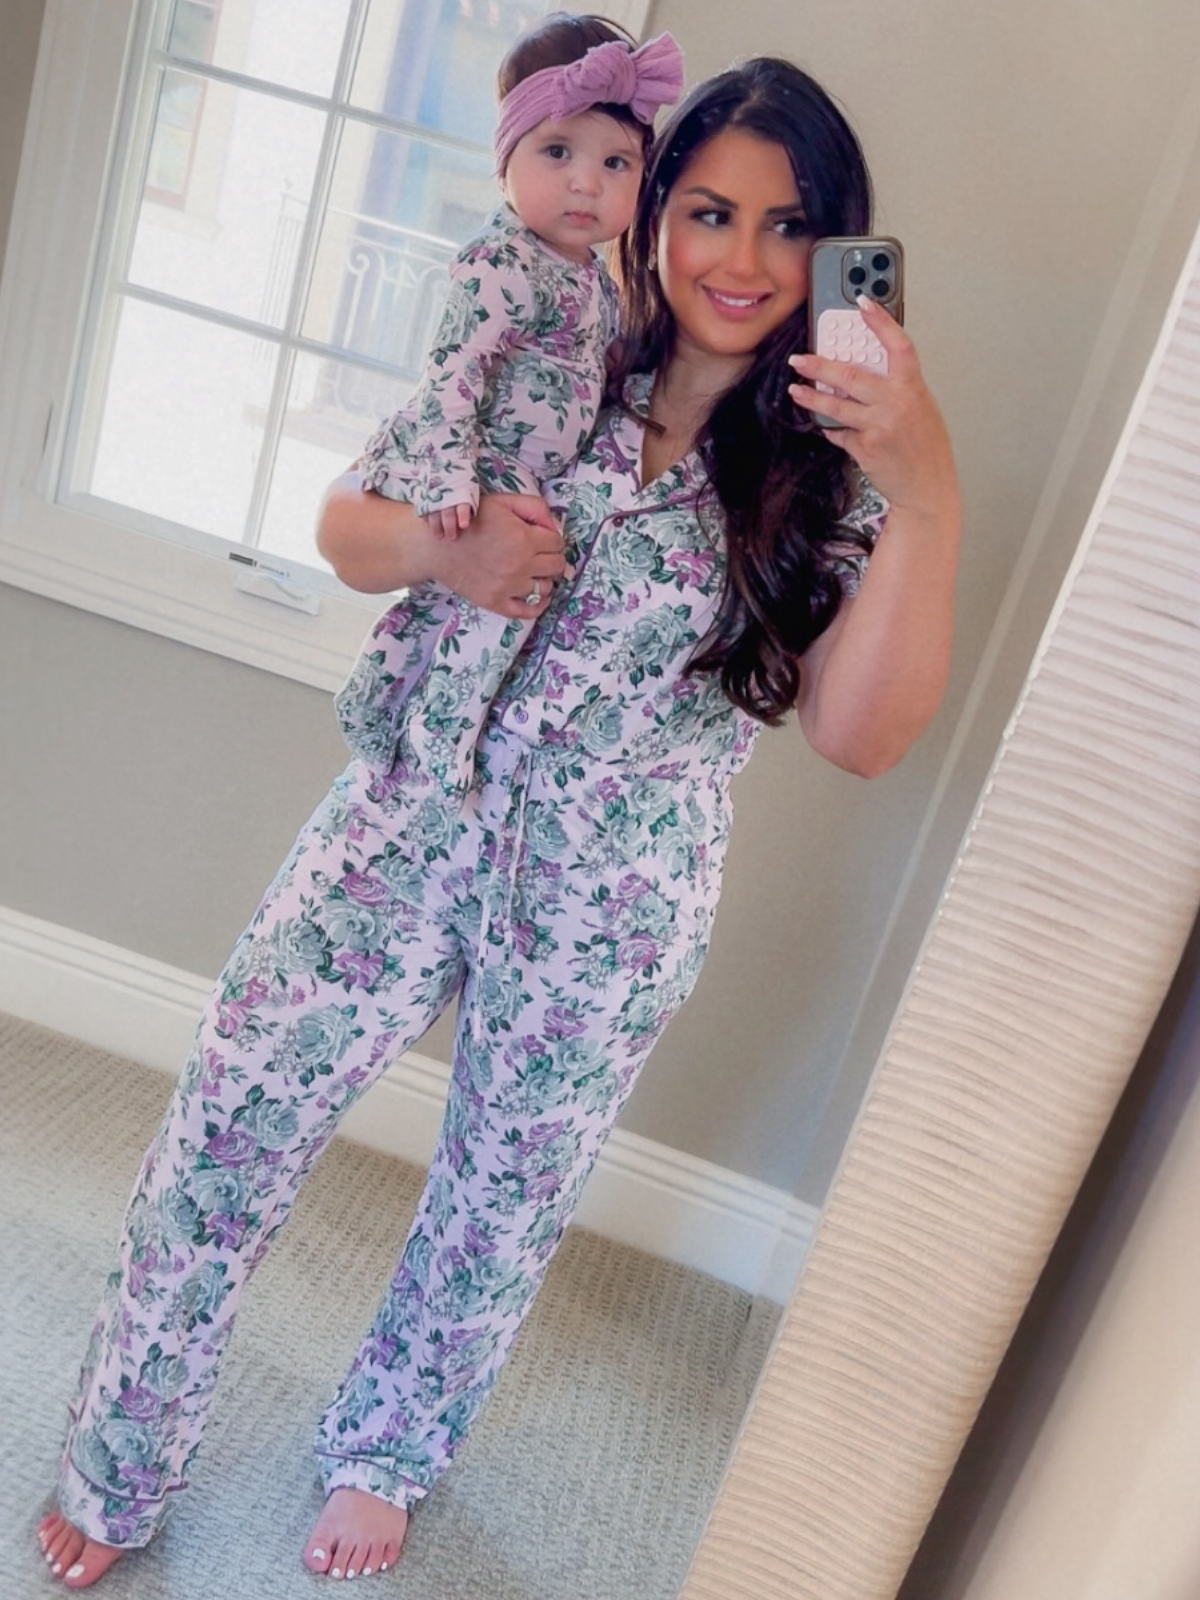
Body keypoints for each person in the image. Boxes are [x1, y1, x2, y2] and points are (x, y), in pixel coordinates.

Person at [36, 53, 960, 1591]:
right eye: (710, 209)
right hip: (407, 820)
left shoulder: (836, 476)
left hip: (610, 901)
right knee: (229, 1118)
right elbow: (350, 528)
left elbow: (862, 738)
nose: (742, 258)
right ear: (652, 208)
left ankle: (389, 1449)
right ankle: (125, 1447)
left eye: (790, 224)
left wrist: (927, 492)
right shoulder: (550, 339)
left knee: (497, 1204)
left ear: (835, 247)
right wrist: (443, 556)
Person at [344, 15, 682, 795]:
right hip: (479, 462)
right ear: (506, 162)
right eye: (557, 152)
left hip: (525, 474)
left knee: (453, 612)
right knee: (497, 602)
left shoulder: (594, 279)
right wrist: (450, 480)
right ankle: (433, 735)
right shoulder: (499, 262)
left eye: (615, 162)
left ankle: (383, 705)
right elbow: (452, 373)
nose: (585, 183)